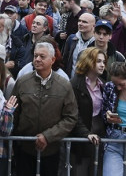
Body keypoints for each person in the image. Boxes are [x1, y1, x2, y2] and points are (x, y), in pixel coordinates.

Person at [11, 41, 78, 176]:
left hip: (51, 150)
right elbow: (15, 113)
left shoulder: (64, 85)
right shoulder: (22, 82)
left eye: (42, 56)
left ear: (52, 60)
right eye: (35, 56)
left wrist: (48, 136)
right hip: (24, 149)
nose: (37, 59)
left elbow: (71, 117)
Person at [69, 47, 107, 176]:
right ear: (89, 62)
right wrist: (86, 133)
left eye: (104, 62)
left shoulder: (104, 85)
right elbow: (74, 113)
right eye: (99, 61)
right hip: (81, 137)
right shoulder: (75, 84)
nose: (102, 65)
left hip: (99, 135)